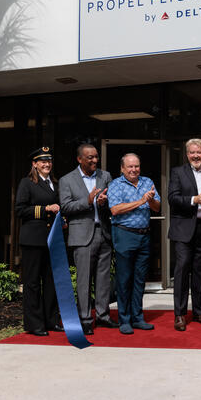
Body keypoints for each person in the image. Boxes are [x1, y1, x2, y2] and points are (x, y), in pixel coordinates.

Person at [59, 143, 116, 335]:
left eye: (96, 157)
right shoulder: (67, 180)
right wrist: (89, 201)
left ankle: (103, 316)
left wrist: (104, 202)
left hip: (104, 233)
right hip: (82, 236)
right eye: (90, 157)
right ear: (79, 159)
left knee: (103, 279)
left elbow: (113, 201)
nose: (94, 160)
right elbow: (66, 207)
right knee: (84, 280)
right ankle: (84, 319)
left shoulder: (105, 176)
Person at [108, 153, 161, 335]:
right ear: (122, 168)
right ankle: (124, 319)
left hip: (144, 236)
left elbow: (157, 207)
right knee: (124, 279)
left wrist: (151, 199)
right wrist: (141, 201)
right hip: (124, 235)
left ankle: (138, 317)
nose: (134, 170)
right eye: (130, 167)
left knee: (140, 280)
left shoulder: (148, 182)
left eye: (136, 166)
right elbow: (115, 209)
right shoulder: (116, 184)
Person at [168, 138, 201, 331]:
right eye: (192, 153)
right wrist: (193, 200)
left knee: (200, 272)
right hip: (182, 230)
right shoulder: (177, 172)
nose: (196, 156)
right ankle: (179, 314)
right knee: (181, 272)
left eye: (199, 152)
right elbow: (172, 197)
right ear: (187, 154)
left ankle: (199, 311)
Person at [14, 147, 62, 336]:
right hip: (33, 240)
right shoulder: (27, 183)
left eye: (49, 161)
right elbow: (20, 209)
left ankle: (51, 320)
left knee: (50, 282)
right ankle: (35, 324)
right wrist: (45, 209)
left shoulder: (55, 184)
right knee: (33, 283)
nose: (46, 164)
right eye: (42, 161)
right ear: (34, 164)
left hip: (52, 239)